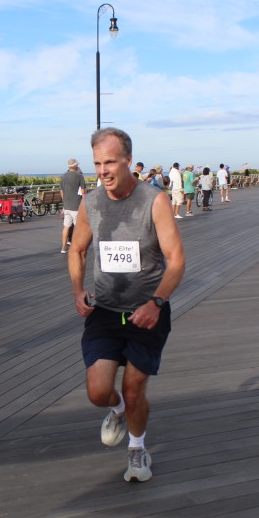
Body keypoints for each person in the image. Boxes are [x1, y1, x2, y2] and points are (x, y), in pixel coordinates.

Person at [69, 128, 185, 482]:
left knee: (134, 389)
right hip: (105, 310)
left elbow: (176, 259)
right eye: (97, 163)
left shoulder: (154, 201)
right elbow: (77, 249)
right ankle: (117, 410)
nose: (103, 171)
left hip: (146, 312)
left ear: (128, 160)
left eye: (110, 162)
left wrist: (156, 302)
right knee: (98, 392)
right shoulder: (91, 203)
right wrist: (77, 290)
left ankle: (137, 449)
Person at [60, 158, 86, 253]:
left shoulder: (63, 176)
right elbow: (83, 191)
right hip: (76, 206)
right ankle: (78, 247)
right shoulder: (79, 176)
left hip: (67, 206)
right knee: (78, 227)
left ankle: (63, 247)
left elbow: (61, 191)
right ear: (76, 166)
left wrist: (64, 202)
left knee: (66, 227)